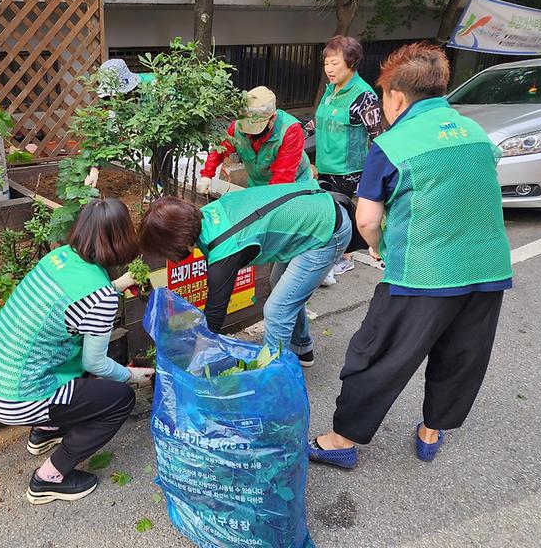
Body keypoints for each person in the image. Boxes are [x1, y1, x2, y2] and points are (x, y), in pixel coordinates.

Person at [308, 42, 512, 469]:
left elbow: (366, 220)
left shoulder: (394, 144)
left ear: (396, 96)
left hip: (422, 272)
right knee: (461, 353)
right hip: (488, 269)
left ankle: (341, 439)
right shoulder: (476, 134)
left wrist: (381, 248)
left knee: (378, 353)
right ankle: (431, 430)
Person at [0, 198, 155, 504]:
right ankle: (49, 478)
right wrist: (134, 375)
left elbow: (80, 301)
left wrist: (120, 284)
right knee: (119, 400)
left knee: (78, 371)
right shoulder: (101, 299)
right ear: (124, 237)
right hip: (14, 397)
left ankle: (46, 429)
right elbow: (95, 363)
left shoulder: (59, 258)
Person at [139, 183, 351, 367]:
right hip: (314, 210)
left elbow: (214, 317)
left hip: (327, 230)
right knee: (280, 288)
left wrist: (194, 361)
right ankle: (302, 348)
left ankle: (273, 382)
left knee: (277, 312)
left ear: (179, 240)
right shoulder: (207, 214)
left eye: (165, 251)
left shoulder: (226, 251)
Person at [312, 36, 382, 282]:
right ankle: (331, 259)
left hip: (349, 169)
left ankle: (344, 259)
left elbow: (377, 137)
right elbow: (318, 120)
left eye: (334, 63)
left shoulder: (364, 96)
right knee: (328, 214)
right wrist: (295, 135)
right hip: (325, 164)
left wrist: (377, 175)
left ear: (351, 63)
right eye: (326, 64)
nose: (329, 69)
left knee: (339, 215)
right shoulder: (331, 90)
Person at [196, 86, 316, 194]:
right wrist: (207, 175)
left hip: (292, 187)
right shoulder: (237, 127)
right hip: (257, 185)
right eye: (246, 130)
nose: (249, 135)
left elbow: (282, 179)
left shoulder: (290, 131)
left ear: (272, 118)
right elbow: (220, 150)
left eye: (254, 129)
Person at [84, 59, 159, 189]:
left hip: (166, 123)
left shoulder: (153, 87)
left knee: (160, 147)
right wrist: (95, 167)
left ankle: (161, 184)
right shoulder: (116, 103)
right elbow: (111, 132)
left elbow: (165, 128)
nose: (113, 100)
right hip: (148, 124)